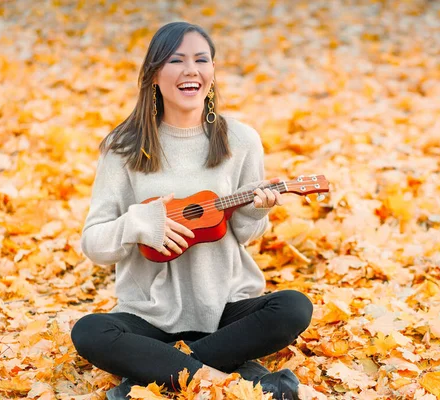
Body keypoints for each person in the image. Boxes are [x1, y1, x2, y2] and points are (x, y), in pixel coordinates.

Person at [70, 21, 313, 400]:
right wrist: (139, 224)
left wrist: (255, 212)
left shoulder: (241, 141)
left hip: (225, 313)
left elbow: (247, 235)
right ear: (153, 74)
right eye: (176, 60)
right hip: (148, 317)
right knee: (88, 331)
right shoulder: (123, 147)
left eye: (202, 60)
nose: (191, 70)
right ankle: (238, 383)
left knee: (294, 307)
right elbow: (94, 243)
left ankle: (151, 378)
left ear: (212, 73)